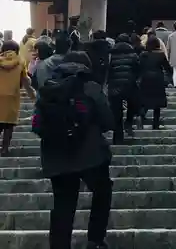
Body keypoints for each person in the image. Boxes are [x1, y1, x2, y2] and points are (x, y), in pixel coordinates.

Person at [32, 51, 114, 249]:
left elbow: (36, 126)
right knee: (102, 191)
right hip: (91, 156)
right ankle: (95, 239)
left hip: (56, 157)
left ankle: (59, 245)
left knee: (63, 204)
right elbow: (108, 120)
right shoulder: (91, 87)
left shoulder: (48, 89)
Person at [0, 40, 36, 155]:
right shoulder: (20, 62)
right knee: (8, 125)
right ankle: (5, 149)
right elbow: (25, 81)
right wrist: (33, 96)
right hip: (12, 97)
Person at [107, 34, 140, 142]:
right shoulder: (133, 54)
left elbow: (108, 70)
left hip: (114, 86)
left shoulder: (111, 55)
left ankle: (118, 137)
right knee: (132, 105)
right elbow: (137, 70)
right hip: (129, 85)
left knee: (117, 112)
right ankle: (129, 122)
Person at [139, 35, 172, 129]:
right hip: (158, 79)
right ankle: (156, 124)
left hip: (145, 78)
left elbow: (139, 67)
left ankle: (141, 116)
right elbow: (168, 68)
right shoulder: (160, 54)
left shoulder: (143, 54)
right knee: (157, 103)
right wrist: (167, 79)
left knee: (145, 99)